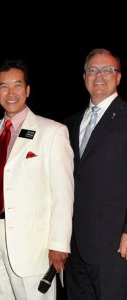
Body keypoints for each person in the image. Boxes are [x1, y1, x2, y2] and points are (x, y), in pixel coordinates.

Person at [0, 59, 74, 300]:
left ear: (27, 90)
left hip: (33, 244)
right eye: (4, 86)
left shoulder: (52, 132)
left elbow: (63, 193)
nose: (11, 93)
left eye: (17, 85)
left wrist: (60, 244)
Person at [64, 48, 127, 299]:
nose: (99, 75)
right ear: (84, 77)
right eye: (93, 69)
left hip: (114, 244)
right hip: (74, 244)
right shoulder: (68, 124)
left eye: (107, 70)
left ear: (118, 77)